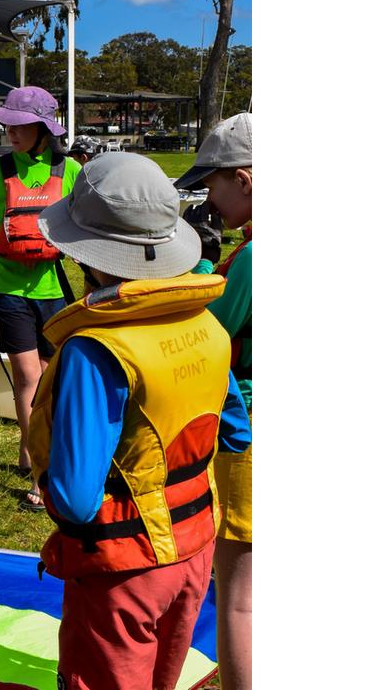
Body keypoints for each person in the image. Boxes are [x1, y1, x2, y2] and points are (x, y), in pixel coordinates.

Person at [27, 152, 252, 690]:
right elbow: (237, 431)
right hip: (196, 552)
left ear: (85, 253)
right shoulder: (208, 327)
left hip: (124, 567)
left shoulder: (94, 349)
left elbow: (78, 499)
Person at [0, 86, 82, 511]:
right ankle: (40, 473)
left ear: (44, 130)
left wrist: (59, 243)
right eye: (7, 125)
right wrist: (4, 234)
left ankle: (32, 447)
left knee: (50, 377)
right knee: (29, 376)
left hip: (53, 290)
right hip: (8, 289)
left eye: (20, 126)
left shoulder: (69, 171)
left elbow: (82, 220)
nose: (10, 133)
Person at [176, 112, 253, 690]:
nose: (209, 197)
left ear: (244, 179)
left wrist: (198, 270)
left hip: (247, 433)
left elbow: (209, 333)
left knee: (241, 599)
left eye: (212, 184)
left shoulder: (252, 259)